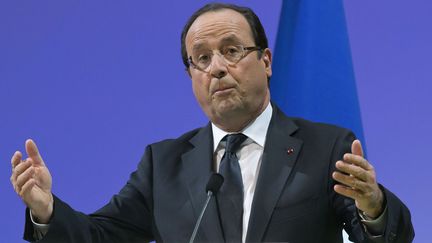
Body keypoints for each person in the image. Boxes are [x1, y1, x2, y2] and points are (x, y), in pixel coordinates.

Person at [10, 3, 413, 243]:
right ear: (191, 76)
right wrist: (46, 212)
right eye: (201, 58)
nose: (217, 68)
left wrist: (373, 207)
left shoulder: (324, 146)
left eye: (232, 50)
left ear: (266, 62)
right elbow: (99, 237)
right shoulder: (163, 164)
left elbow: (383, 237)